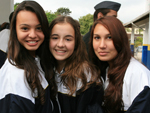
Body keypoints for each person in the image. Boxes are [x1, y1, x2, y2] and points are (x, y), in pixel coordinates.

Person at [0, 1, 53, 113]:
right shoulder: (16, 77)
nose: (33, 35)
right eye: (25, 28)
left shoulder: (35, 60)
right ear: (15, 30)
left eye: (38, 28)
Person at [89, 16, 150, 113]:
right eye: (97, 38)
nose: (102, 45)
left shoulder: (137, 74)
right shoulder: (105, 69)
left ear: (121, 39)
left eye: (109, 37)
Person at [47, 16, 104, 113]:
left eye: (68, 39)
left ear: (76, 43)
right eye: (55, 38)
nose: (60, 44)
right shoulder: (45, 69)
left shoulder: (86, 76)